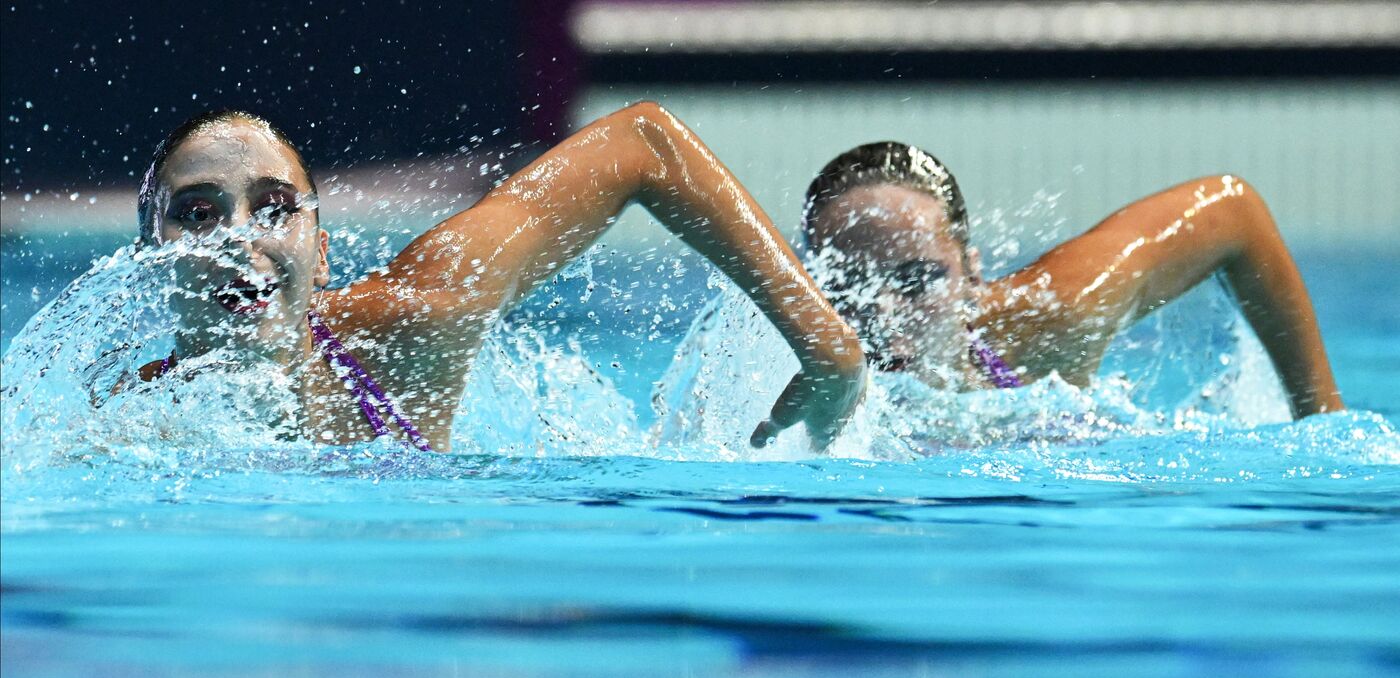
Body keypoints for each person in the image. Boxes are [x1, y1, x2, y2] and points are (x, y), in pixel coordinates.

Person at [134, 104, 866, 452]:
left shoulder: (413, 323)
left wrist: (826, 346)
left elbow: (646, 143)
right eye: (197, 214)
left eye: (274, 208)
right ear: (147, 258)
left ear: (321, 252)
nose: (238, 238)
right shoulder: (122, 425)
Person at [800, 142, 1344, 419]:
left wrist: (1318, 418)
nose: (885, 312)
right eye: (847, 286)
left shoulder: (1051, 317)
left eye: (919, 278)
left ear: (971, 271)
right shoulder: (774, 373)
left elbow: (1235, 212)